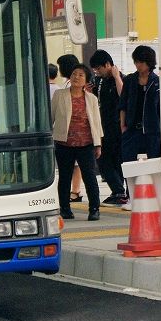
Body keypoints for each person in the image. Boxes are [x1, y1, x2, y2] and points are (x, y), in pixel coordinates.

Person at [52, 64, 104, 221]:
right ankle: (65, 209)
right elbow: (51, 116)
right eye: (74, 74)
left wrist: (98, 144)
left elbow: (96, 122)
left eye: (81, 75)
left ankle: (94, 209)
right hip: (64, 143)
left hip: (86, 144)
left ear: (86, 80)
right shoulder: (59, 95)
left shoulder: (92, 99)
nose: (76, 77)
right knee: (65, 177)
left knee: (90, 177)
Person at [90, 50, 128, 205]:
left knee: (117, 160)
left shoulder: (122, 78)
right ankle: (117, 190)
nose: (97, 72)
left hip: (117, 127)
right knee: (104, 161)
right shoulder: (98, 81)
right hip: (103, 126)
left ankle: (120, 191)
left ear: (108, 64)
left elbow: (123, 96)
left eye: (99, 68)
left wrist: (117, 76)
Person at [119, 45, 161, 162]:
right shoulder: (129, 80)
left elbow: (160, 108)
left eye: (141, 62)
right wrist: (123, 126)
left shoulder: (157, 82)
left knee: (153, 166)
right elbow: (123, 105)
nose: (138, 65)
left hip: (152, 132)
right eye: (136, 62)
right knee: (129, 166)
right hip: (131, 130)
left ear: (149, 62)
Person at [56, 54, 84, 202]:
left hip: (73, 131)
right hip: (72, 132)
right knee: (75, 165)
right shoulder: (68, 84)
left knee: (73, 165)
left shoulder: (71, 85)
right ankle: (75, 190)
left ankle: (75, 190)